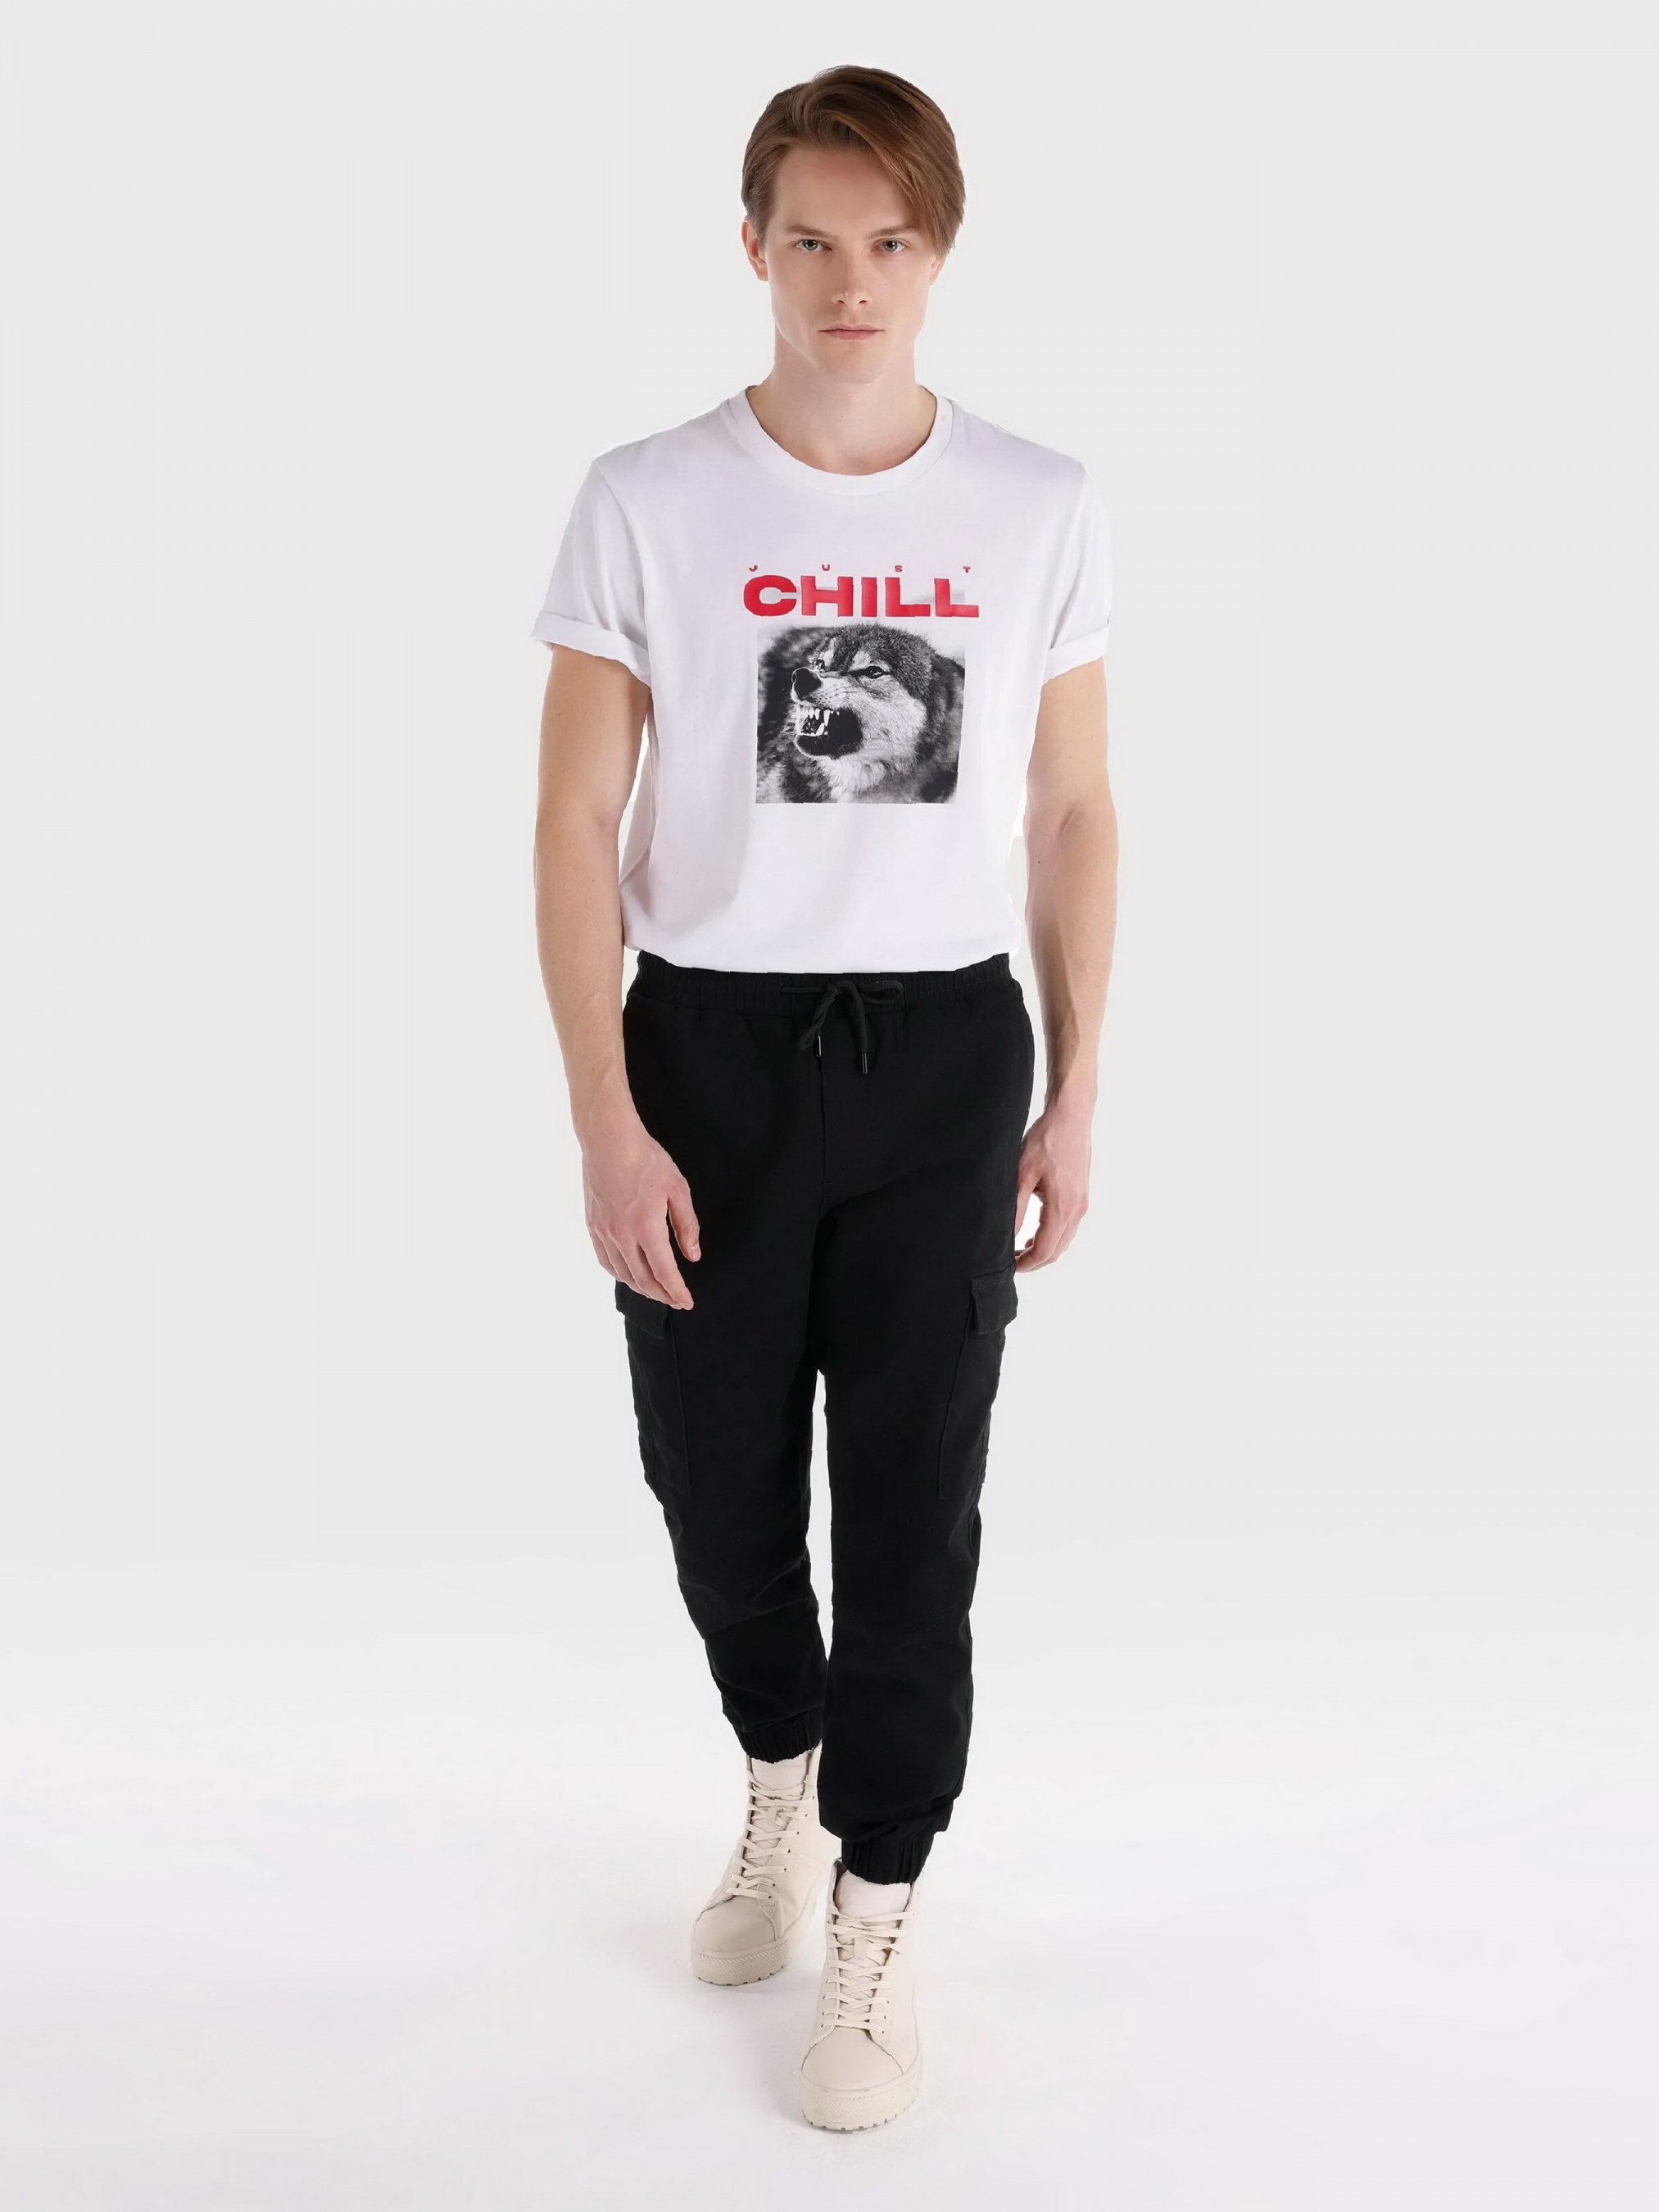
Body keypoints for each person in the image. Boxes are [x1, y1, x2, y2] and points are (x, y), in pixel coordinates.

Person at [530, 64, 1116, 2133]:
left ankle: (874, 1897)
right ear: (753, 247)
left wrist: (1075, 1088)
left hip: (943, 1052)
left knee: (910, 1498)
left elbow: (1070, 808)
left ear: (936, 253)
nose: (848, 279)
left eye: (887, 240)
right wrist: (605, 1117)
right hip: (709, 1048)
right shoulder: (647, 497)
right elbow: (573, 818)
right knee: (711, 1484)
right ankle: (777, 1761)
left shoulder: (1035, 502)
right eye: (809, 238)